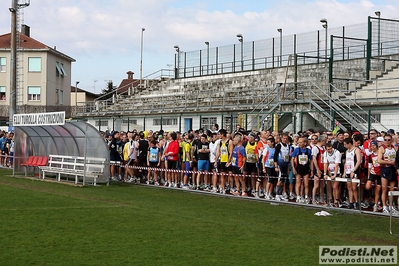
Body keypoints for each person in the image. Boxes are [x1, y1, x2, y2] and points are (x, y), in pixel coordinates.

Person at [378, 134, 398, 214]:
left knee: (392, 189)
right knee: (384, 189)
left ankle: (391, 205)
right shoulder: (382, 148)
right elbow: (379, 160)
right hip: (385, 169)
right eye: (385, 140)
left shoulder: (394, 148)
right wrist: (389, 162)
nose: (387, 141)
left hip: (392, 169)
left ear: (391, 140)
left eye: (388, 140)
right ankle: (384, 206)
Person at [291, 136, 313, 203]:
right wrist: (293, 168)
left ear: (305, 143)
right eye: (298, 142)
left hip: (306, 168)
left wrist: (311, 170)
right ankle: (298, 196)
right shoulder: (297, 150)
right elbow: (292, 159)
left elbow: (311, 161)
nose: (299, 143)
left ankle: (306, 196)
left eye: (300, 142)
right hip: (299, 168)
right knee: (298, 183)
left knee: (306, 184)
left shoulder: (308, 150)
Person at [343, 138, 362, 209]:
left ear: (349, 143)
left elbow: (358, 161)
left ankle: (356, 202)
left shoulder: (356, 150)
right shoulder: (347, 151)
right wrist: (344, 172)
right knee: (349, 187)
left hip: (354, 171)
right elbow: (346, 162)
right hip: (348, 170)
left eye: (345, 144)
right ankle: (351, 202)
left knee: (354, 187)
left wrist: (353, 171)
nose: (344, 146)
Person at [323, 142, 342, 207]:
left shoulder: (337, 152)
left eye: (331, 149)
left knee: (335, 187)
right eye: (328, 149)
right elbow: (325, 164)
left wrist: (335, 174)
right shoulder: (325, 153)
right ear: (326, 149)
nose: (330, 150)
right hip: (330, 171)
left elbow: (337, 164)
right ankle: (331, 200)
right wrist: (325, 173)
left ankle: (336, 201)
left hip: (337, 171)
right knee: (330, 186)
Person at [273, 133, 291, 201]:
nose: (285, 140)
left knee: (283, 180)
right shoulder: (279, 146)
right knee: (280, 180)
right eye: (284, 138)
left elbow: (288, 156)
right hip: (280, 165)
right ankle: (277, 195)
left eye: (286, 138)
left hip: (285, 165)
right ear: (281, 138)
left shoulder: (287, 146)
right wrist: (276, 166)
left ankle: (280, 194)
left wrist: (288, 166)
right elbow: (275, 156)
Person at [365, 141, 382, 212]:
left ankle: (376, 204)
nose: (372, 147)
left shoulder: (380, 154)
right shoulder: (370, 155)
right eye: (371, 146)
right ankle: (371, 198)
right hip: (373, 173)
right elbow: (369, 166)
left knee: (377, 191)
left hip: (380, 173)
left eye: (373, 146)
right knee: (367, 186)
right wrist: (369, 175)